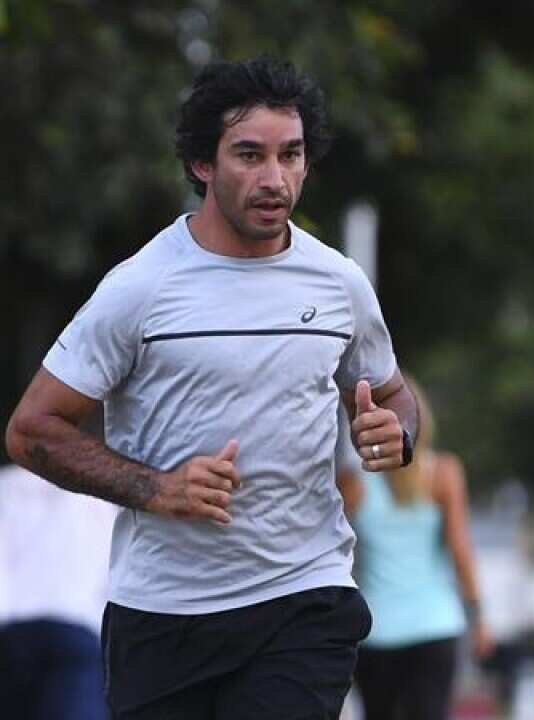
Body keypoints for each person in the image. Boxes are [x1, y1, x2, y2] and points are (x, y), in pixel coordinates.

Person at [4, 55, 418, 719]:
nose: (274, 178)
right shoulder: (140, 288)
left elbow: (394, 396)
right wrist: (156, 488)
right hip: (163, 615)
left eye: (291, 155)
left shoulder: (337, 284)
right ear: (203, 164)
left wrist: (394, 432)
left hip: (302, 598)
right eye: (249, 155)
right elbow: (31, 431)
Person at [341, 376, 494, 720]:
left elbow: (340, 557)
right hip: (435, 627)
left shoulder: (353, 483)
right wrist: (478, 618)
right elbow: (460, 551)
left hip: (376, 632)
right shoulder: (444, 473)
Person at [0, 463, 116, 720]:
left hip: (12, 636)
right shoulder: (97, 497)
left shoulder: (6, 485)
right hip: (76, 638)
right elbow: (112, 577)